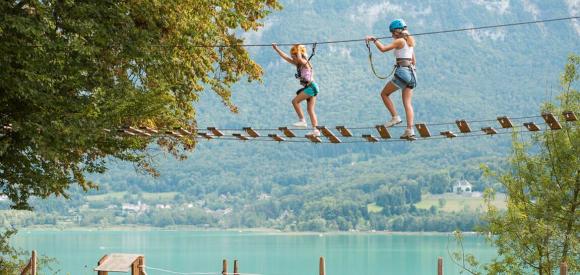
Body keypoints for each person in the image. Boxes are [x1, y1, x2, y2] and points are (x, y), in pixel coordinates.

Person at [366, 19, 417, 140]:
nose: (391, 35)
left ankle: (395, 117)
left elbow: (383, 49)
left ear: (396, 31)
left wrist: (374, 40)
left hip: (403, 72)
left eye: (392, 32)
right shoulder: (410, 43)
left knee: (384, 94)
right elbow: (413, 61)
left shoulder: (399, 41)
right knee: (407, 103)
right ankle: (410, 129)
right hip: (412, 74)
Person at [272, 43, 320, 137]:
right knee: (310, 110)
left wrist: (298, 47)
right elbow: (285, 57)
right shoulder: (298, 64)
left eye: (293, 56)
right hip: (311, 87)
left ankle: (302, 120)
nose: (293, 58)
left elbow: (299, 57)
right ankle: (316, 130)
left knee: (295, 101)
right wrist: (276, 49)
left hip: (311, 87)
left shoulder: (304, 62)